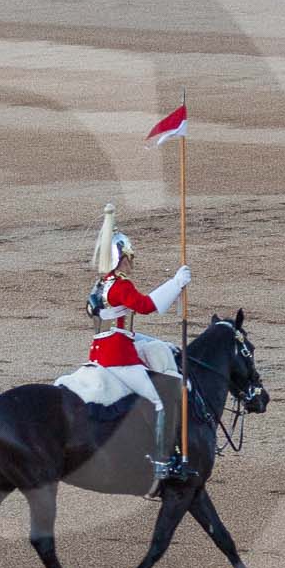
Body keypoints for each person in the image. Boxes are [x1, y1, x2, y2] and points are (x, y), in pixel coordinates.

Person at [85, 205, 191, 489]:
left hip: (102, 347)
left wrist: (153, 342)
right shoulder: (121, 286)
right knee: (159, 401)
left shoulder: (100, 286)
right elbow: (147, 307)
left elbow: (118, 326)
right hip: (117, 357)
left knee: (157, 349)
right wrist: (176, 282)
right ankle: (161, 463)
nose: (132, 262)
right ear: (120, 258)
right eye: (129, 257)